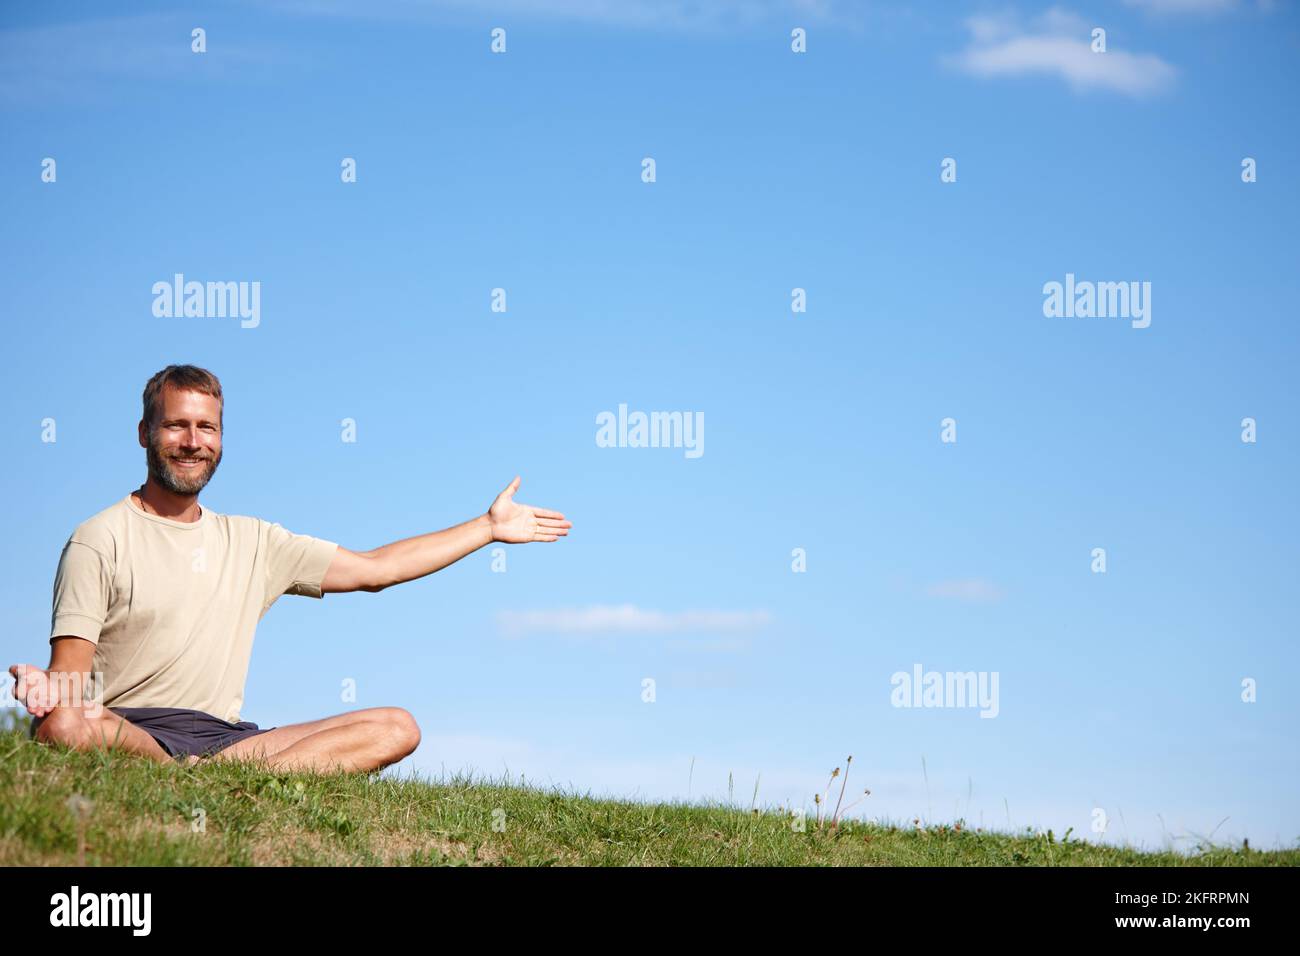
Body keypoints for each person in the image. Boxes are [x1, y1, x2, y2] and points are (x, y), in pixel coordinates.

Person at [8, 364, 571, 774]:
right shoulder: (99, 537)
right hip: (131, 730)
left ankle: (222, 780)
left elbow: (377, 568)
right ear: (144, 434)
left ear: (221, 439)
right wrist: (47, 688)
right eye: (176, 426)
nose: (192, 442)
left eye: (207, 428)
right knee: (63, 725)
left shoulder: (255, 541)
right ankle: (200, 776)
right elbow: (73, 681)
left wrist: (488, 528)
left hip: (225, 741)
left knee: (396, 727)